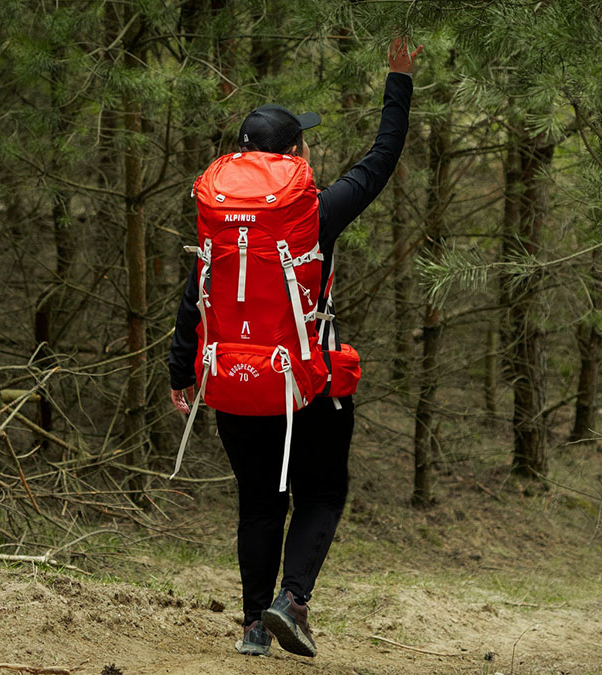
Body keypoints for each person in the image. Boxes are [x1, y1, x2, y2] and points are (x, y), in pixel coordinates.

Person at [168, 37, 422, 658]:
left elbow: (195, 295)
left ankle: (255, 625)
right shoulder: (315, 212)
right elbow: (381, 159)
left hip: (231, 380)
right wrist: (399, 82)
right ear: (294, 153)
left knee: (258, 504)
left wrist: (183, 372)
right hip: (305, 384)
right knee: (322, 493)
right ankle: (292, 601)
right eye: (303, 140)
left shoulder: (217, 213)